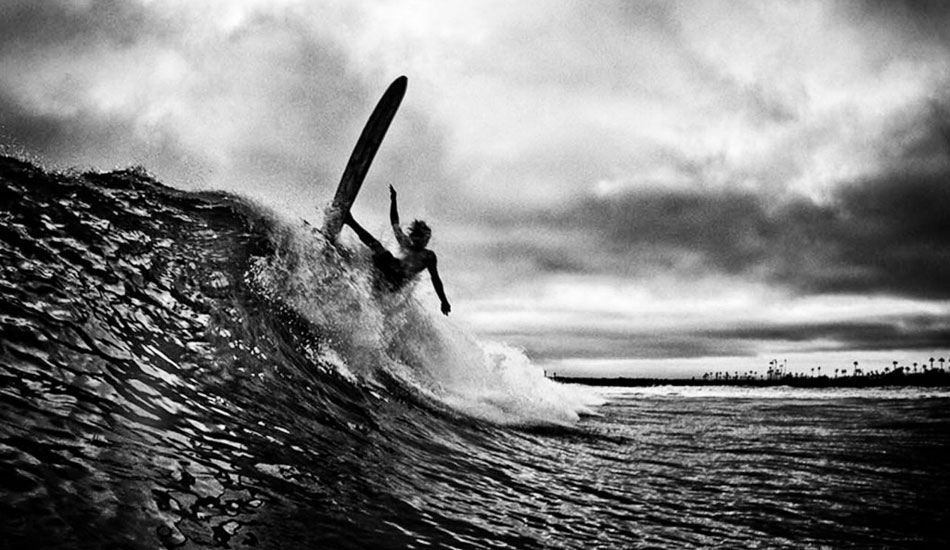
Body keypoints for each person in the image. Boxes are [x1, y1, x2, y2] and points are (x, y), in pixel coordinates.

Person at [343, 185, 451, 316]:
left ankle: (349, 222)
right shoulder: (406, 243)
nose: (426, 241)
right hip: (384, 273)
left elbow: (436, 279)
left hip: (396, 282)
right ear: (415, 236)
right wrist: (393, 200)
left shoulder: (428, 256)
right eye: (423, 238)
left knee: (384, 255)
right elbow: (395, 222)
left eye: (428, 238)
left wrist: (443, 301)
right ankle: (348, 225)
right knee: (376, 248)